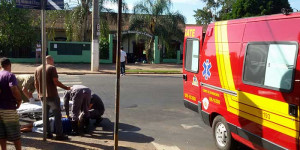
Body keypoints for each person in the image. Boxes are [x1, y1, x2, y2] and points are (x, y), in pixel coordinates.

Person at [34, 55, 70, 140]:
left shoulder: (37, 69)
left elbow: (36, 83)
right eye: (53, 59)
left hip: (43, 97)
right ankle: (59, 135)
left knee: (45, 115)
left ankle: (48, 134)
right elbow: (55, 81)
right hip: (52, 96)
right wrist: (66, 88)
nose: (53, 61)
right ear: (50, 60)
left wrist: (39, 93)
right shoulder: (52, 68)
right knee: (57, 115)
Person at [0, 57, 22, 150]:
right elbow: (13, 88)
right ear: (10, 65)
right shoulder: (10, 75)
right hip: (9, 108)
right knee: (15, 134)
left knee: (1, 134)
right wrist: (19, 100)